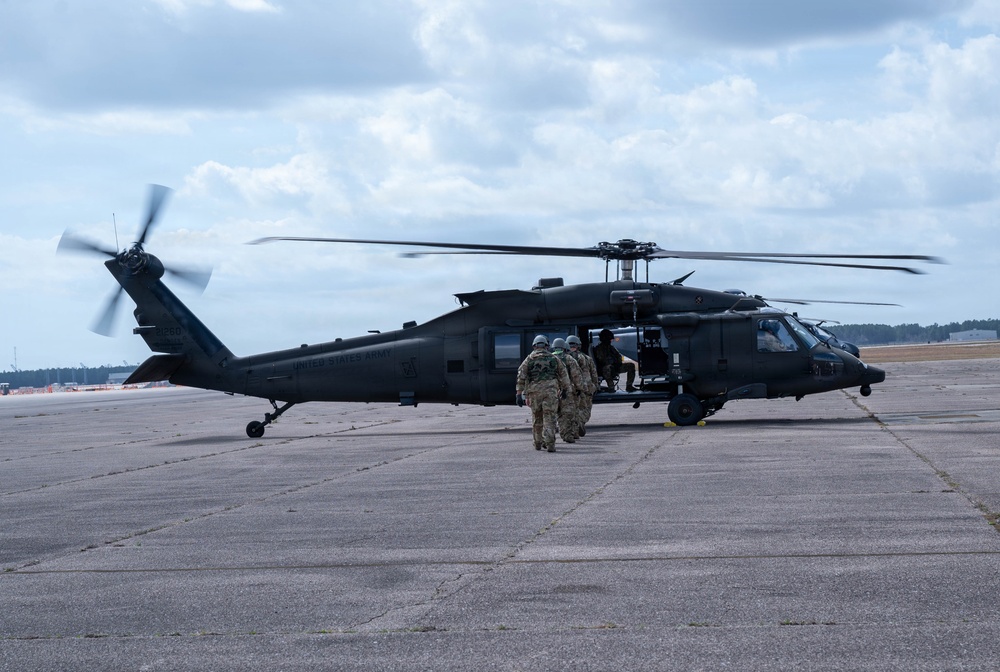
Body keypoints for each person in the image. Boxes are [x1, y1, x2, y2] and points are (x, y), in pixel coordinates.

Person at [515, 334, 571, 452]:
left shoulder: (529, 359)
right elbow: (564, 375)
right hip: (551, 392)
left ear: (534, 346)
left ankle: (538, 443)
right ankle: (550, 444)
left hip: (534, 393)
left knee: (537, 418)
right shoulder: (554, 359)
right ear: (546, 346)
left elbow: (521, 377)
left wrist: (519, 394)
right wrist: (565, 389)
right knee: (549, 418)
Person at [550, 338, 585, 443]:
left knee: (552, 413)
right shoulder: (569, 359)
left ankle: (547, 437)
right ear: (565, 347)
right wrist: (580, 388)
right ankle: (566, 435)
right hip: (567, 390)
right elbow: (576, 376)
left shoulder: (549, 358)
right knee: (567, 414)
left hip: (551, 390)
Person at [566, 334, 598, 436]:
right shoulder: (586, 358)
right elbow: (593, 373)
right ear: (579, 345)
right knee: (585, 409)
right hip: (586, 387)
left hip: (571, 387)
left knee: (572, 408)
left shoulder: (564, 358)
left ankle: (573, 427)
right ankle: (580, 422)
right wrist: (596, 385)